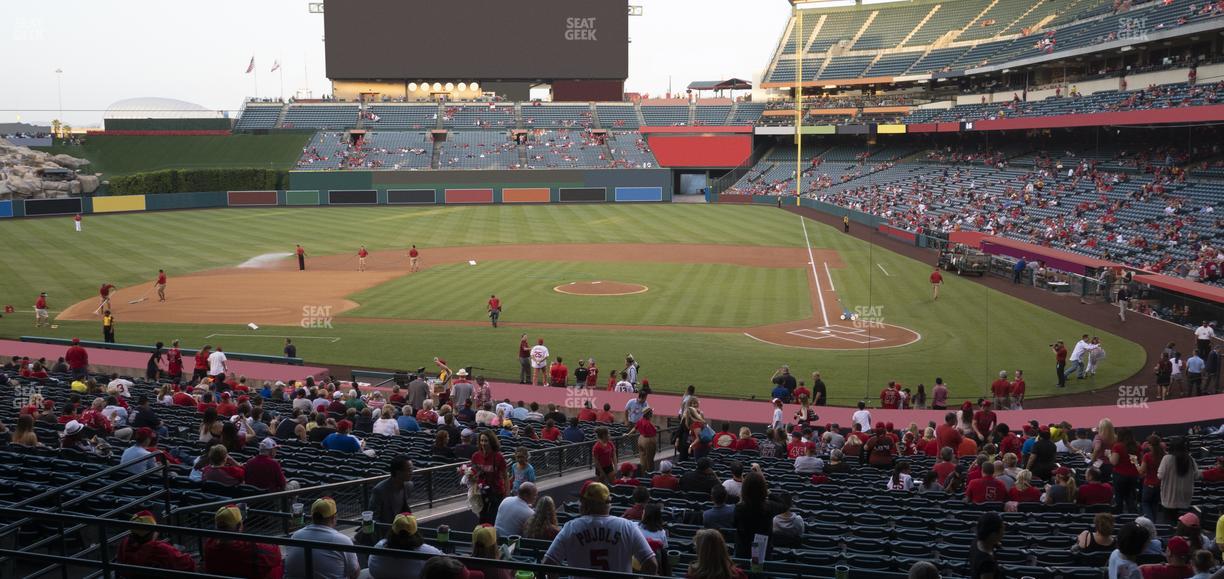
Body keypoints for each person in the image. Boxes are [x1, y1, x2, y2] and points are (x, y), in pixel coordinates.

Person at [543, 481, 657, 574]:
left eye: (580, 501)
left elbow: (548, 564)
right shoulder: (627, 526)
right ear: (608, 504)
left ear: (584, 504)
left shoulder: (571, 527)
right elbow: (651, 564)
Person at [285, 498, 360, 579]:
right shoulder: (342, 540)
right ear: (334, 517)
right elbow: (354, 573)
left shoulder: (296, 535)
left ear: (312, 516)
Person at [204, 504, 284, 579]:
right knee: (276, 567)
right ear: (239, 526)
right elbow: (276, 555)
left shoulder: (209, 544)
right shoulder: (251, 548)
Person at [116, 510, 197, 575]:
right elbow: (189, 565)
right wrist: (178, 551)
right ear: (152, 532)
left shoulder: (125, 543)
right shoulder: (161, 549)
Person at [366, 513, 441, 579]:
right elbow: (446, 562)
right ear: (415, 532)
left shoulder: (379, 546)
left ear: (392, 530)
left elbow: (370, 566)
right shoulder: (429, 552)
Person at [732, 472, 781, 559]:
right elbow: (783, 504)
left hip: (744, 549)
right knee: (759, 569)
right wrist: (768, 492)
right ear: (763, 489)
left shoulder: (739, 508)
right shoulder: (769, 506)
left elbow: (734, 524)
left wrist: (741, 500)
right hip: (762, 549)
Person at [1158, 437, 1200, 520]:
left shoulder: (1166, 459)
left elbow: (1160, 476)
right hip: (1185, 499)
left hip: (1169, 499)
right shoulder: (1190, 459)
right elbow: (1197, 476)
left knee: (1170, 526)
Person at [471, 430, 508, 525]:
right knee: (482, 518)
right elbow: (474, 475)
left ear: (491, 441)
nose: (483, 443)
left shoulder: (499, 457)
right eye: (481, 440)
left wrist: (507, 494)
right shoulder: (475, 456)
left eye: (486, 441)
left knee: (492, 518)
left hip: (496, 492)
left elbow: (505, 476)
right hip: (481, 492)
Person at [369, 456, 415, 525]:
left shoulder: (409, 485)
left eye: (412, 469)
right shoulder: (380, 490)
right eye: (409, 470)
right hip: (384, 529)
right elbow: (374, 518)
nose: (412, 472)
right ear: (398, 472)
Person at [968, 512, 1005, 579]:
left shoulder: (977, 540)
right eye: (1002, 530)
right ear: (993, 535)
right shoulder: (987, 564)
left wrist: (995, 542)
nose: (1003, 533)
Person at [627, 407, 658, 473]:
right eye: (651, 412)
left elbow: (635, 428)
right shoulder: (648, 423)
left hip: (640, 439)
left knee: (642, 459)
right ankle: (650, 475)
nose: (652, 413)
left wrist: (628, 434)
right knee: (650, 460)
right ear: (649, 414)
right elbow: (653, 432)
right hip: (648, 440)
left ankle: (643, 473)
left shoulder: (640, 420)